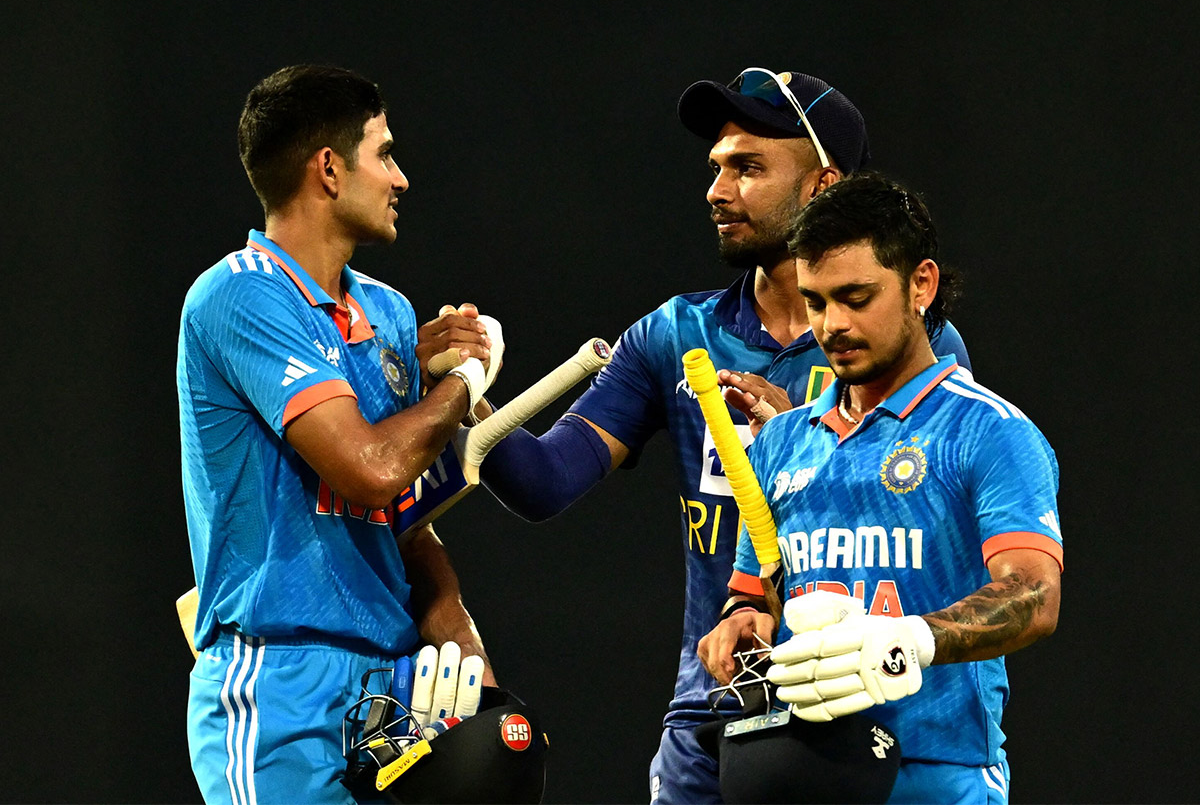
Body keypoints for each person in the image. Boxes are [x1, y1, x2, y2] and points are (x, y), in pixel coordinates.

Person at [479, 68, 972, 803]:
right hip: (712, 713)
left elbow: (923, 537)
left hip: (853, 713)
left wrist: (808, 446)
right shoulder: (675, 335)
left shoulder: (911, 342)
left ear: (822, 186)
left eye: (748, 168)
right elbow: (544, 482)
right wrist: (460, 396)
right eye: (716, 169)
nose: (717, 191)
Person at [178, 64, 501, 804]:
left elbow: (401, 520)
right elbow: (370, 468)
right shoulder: (238, 294)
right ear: (328, 168)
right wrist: (466, 382)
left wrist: (454, 621)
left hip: (390, 686)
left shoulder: (388, 316)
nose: (402, 179)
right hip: (278, 686)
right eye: (384, 153)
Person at [697, 173, 1062, 803]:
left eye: (857, 297)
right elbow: (754, 596)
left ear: (921, 283)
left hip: (936, 773)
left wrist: (910, 641)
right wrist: (741, 625)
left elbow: (1034, 593)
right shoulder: (780, 443)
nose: (831, 325)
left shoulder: (990, 431)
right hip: (800, 769)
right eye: (815, 302)